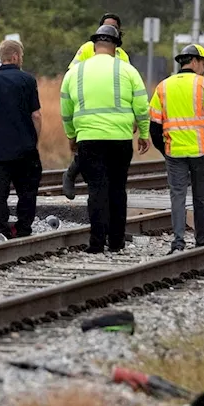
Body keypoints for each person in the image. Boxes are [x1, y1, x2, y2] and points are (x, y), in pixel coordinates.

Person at [60, 24, 151, 254]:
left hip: (89, 139)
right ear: (116, 46)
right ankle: (117, 242)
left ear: (94, 45)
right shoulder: (128, 70)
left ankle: (96, 243)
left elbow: (66, 109)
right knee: (117, 190)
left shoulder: (75, 72)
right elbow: (141, 104)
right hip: (120, 139)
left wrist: (72, 135)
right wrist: (144, 132)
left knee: (96, 190)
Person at [150, 44, 204, 254]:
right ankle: (201, 239)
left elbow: (154, 126)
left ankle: (178, 241)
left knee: (177, 196)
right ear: (194, 61)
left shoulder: (163, 86)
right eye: (203, 64)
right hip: (202, 151)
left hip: (174, 152)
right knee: (200, 197)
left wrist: (164, 149)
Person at [62, 13, 131, 200]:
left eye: (114, 27)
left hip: (113, 105)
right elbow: (71, 73)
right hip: (90, 101)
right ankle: (71, 174)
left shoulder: (122, 55)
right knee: (89, 144)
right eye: (106, 26)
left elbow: (129, 81)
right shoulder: (87, 48)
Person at [0, 39, 43, 238]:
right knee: (27, 192)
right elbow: (36, 115)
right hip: (25, 149)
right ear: (15, 57)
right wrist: (34, 140)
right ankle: (24, 227)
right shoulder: (28, 81)